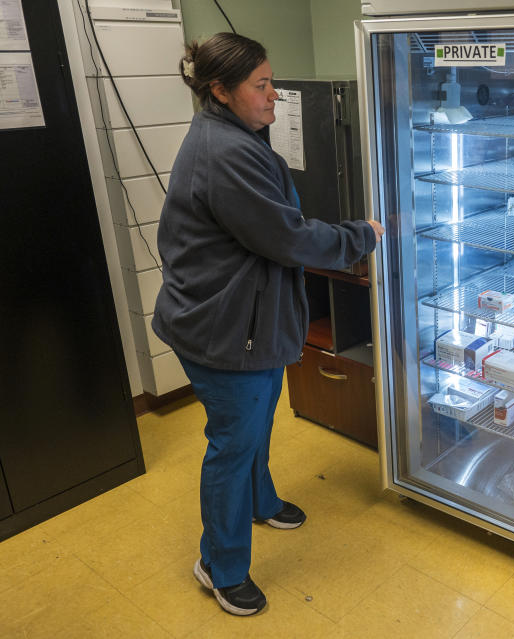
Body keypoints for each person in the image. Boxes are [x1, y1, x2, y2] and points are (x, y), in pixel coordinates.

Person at [152, 33, 384, 616]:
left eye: (271, 81)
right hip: (223, 331)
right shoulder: (224, 153)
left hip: (245, 322)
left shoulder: (232, 134)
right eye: (261, 85)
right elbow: (286, 236)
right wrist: (362, 236)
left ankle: (261, 501)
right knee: (233, 443)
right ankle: (220, 565)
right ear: (220, 90)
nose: (274, 95)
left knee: (254, 425)